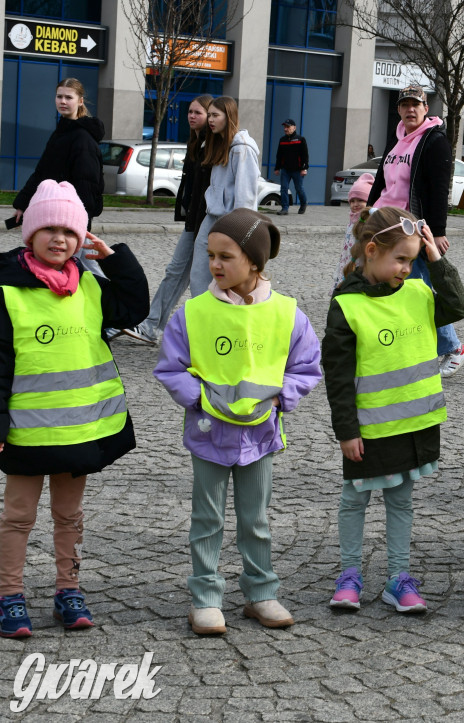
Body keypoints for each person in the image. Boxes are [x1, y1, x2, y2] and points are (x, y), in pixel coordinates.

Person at [154, 208, 321, 635]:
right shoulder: (194, 313)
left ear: (255, 261)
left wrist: (281, 397)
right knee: (207, 520)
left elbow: (306, 366)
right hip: (209, 433)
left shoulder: (286, 313)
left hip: (260, 435)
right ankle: (205, 598)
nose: (215, 264)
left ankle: (261, 593)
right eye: (211, 255)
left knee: (255, 519)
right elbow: (171, 366)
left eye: (225, 256)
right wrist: (200, 400)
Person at [0, 180, 148, 637]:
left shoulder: (89, 284)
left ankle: (69, 590)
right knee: (18, 517)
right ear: (31, 233)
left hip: (79, 430)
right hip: (25, 433)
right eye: (50, 229)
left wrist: (114, 259)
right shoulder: (6, 289)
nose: (60, 239)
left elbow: (134, 307)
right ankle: (9, 595)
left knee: (69, 515)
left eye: (70, 231)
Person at [323, 207, 464, 614]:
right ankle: (349, 575)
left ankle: (398, 578)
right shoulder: (346, 305)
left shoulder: (420, 293)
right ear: (371, 251)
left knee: (401, 502)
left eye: (412, 260)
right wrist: (346, 431)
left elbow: (457, 307)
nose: (407, 268)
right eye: (401, 259)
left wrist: (435, 259)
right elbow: (337, 376)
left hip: (413, 426)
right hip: (368, 430)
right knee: (355, 501)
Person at [367, 84, 464, 378]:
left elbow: (439, 188)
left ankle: (454, 348)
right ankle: (397, 342)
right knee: (392, 284)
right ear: (398, 109)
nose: (410, 109)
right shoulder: (397, 137)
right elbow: (382, 178)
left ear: (426, 108)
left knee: (416, 287)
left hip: (412, 228)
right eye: (405, 105)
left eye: (416, 104)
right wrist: (368, 209)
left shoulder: (434, 141)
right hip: (386, 224)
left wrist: (437, 231)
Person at [121, 95, 215, 345]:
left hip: (206, 222)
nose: (191, 116)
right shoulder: (196, 142)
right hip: (194, 221)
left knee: (200, 280)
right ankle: (152, 325)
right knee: (176, 272)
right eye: (190, 111)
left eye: (198, 112)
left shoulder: (211, 145)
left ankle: (205, 334)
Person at [12, 78, 104, 277]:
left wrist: (79, 222)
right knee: (80, 266)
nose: (63, 101)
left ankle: (112, 295)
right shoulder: (62, 131)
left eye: (68, 97)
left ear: (80, 101)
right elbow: (43, 172)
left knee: (81, 268)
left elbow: (87, 184)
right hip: (58, 216)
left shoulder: (82, 138)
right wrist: (22, 203)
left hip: (70, 220)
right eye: (59, 96)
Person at [190, 96, 261, 298]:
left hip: (232, 223)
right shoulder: (219, 145)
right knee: (199, 273)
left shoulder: (242, 148)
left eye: (215, 115)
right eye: (209, 115)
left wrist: (239, 230)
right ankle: (202, 309)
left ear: (228, 117)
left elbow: (246, 195)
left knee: (228, 275)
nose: (211, 120)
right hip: (212, 218)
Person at [333, 172, 375, 293]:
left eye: (360, 200)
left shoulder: (370, 222)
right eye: (352, 201)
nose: (355, 204)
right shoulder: (351, 220)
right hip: (348, 258)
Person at [273, 118, 309, 215]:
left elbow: (305, 155)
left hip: (298, 170)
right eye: (285, 127)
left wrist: (304, 168)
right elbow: (279, 155)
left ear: (294, 128)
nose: (286, 129)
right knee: (283, 188)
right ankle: (285, 208)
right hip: (285, 170)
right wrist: (277, 168)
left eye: (288, 127)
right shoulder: (282, 140)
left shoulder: (300, 139)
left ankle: (303, 203)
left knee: (299, 188)